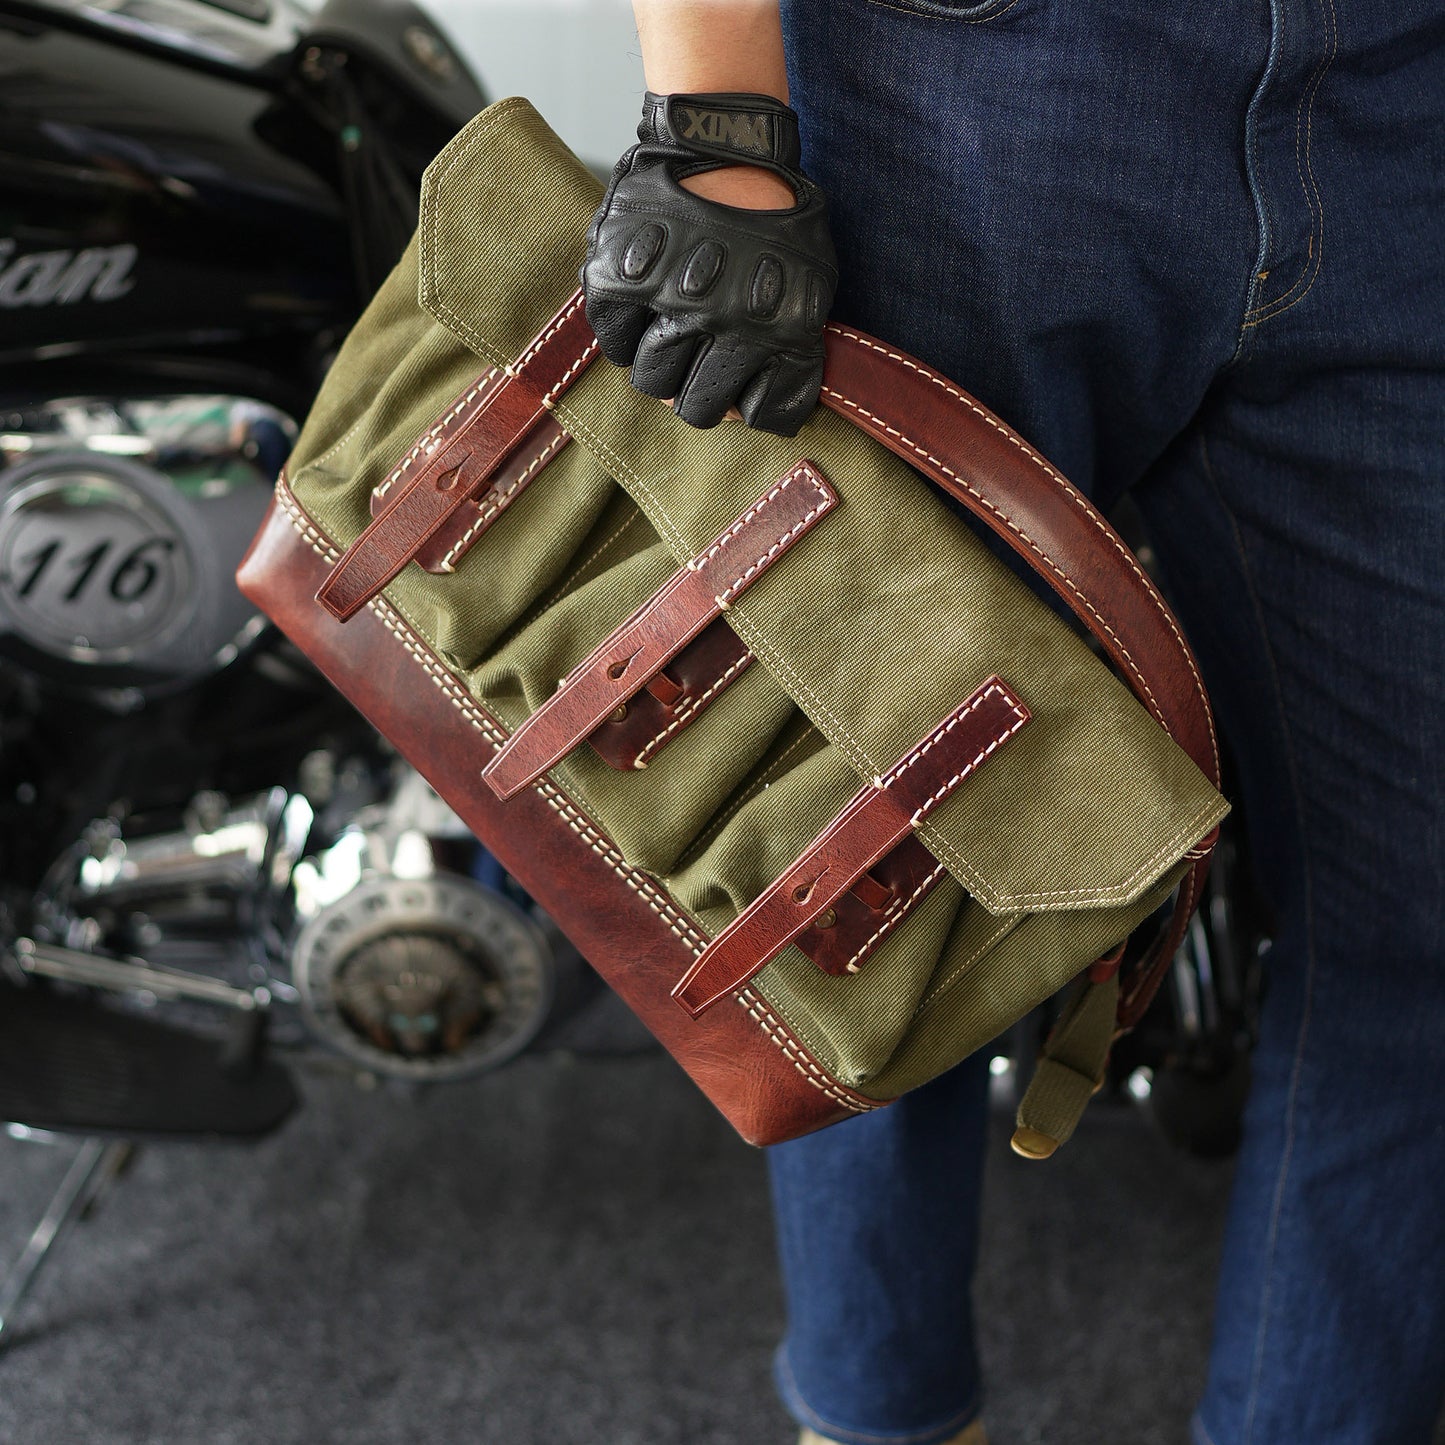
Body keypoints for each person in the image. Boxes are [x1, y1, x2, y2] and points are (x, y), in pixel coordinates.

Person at [580, 2, 1445, 1441]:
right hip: (978, 91)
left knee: (1414, 912)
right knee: (868, 863)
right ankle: (877, 1416)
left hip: (1407, 118)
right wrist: (715, 115)